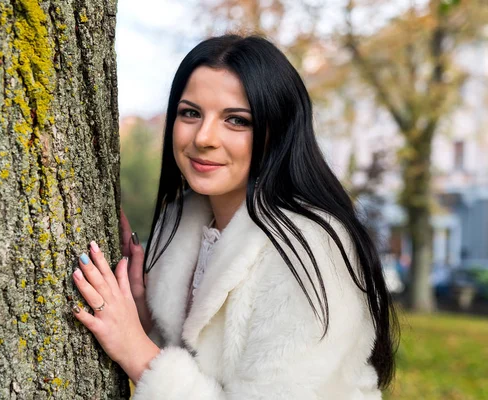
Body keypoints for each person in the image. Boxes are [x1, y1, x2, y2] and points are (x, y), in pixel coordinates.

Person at [71, 34, 399, 399]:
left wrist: (137, 352)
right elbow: (207, 370)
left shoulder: (311, 250)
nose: (204, 137)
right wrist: (146, 320)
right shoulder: (183, 225)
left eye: (236, 120)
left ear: (276, 132)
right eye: (190, 113)